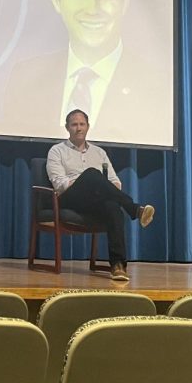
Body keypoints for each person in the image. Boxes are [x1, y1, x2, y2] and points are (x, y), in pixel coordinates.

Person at [4, 0, 160, 139]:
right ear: (56, 0)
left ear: (124, 2)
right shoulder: (25, 79)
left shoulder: (157, 86)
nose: (92, 8)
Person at [45, 108, 154, 281]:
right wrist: (88, 183)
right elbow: (59, 183)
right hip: (69, 199)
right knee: (91, 174)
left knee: (112, 207)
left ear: (88, 127)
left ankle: (118, 266)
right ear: (67, 128)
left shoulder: (99, 152)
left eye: (82, 124)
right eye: (74, 125)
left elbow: (115, 182)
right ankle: (134, 209)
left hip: (94, 201)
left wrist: (99, 187)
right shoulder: (57, 151)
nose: (78, 128)